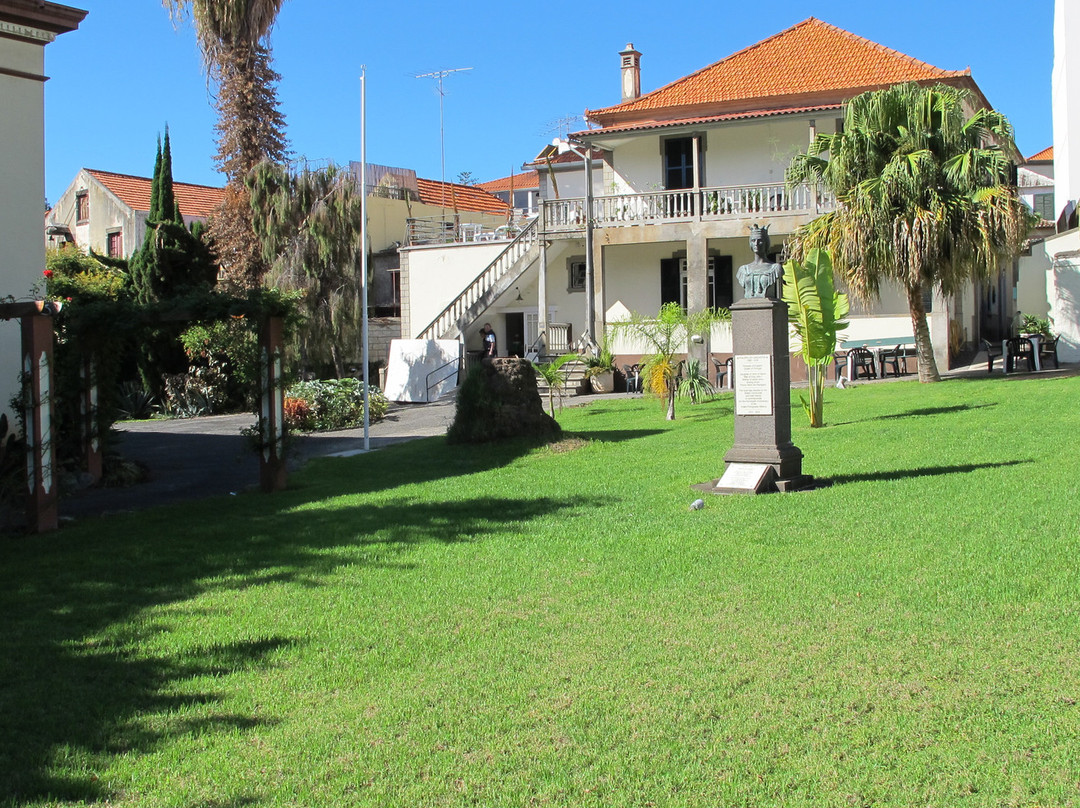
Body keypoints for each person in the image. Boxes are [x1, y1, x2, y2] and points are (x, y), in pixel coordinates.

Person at [736, 225, 783, 299]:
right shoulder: (743, 270)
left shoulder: (775, 268)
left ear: (766, 243)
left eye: (760, 240)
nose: (756, 244)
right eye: (753, 240)